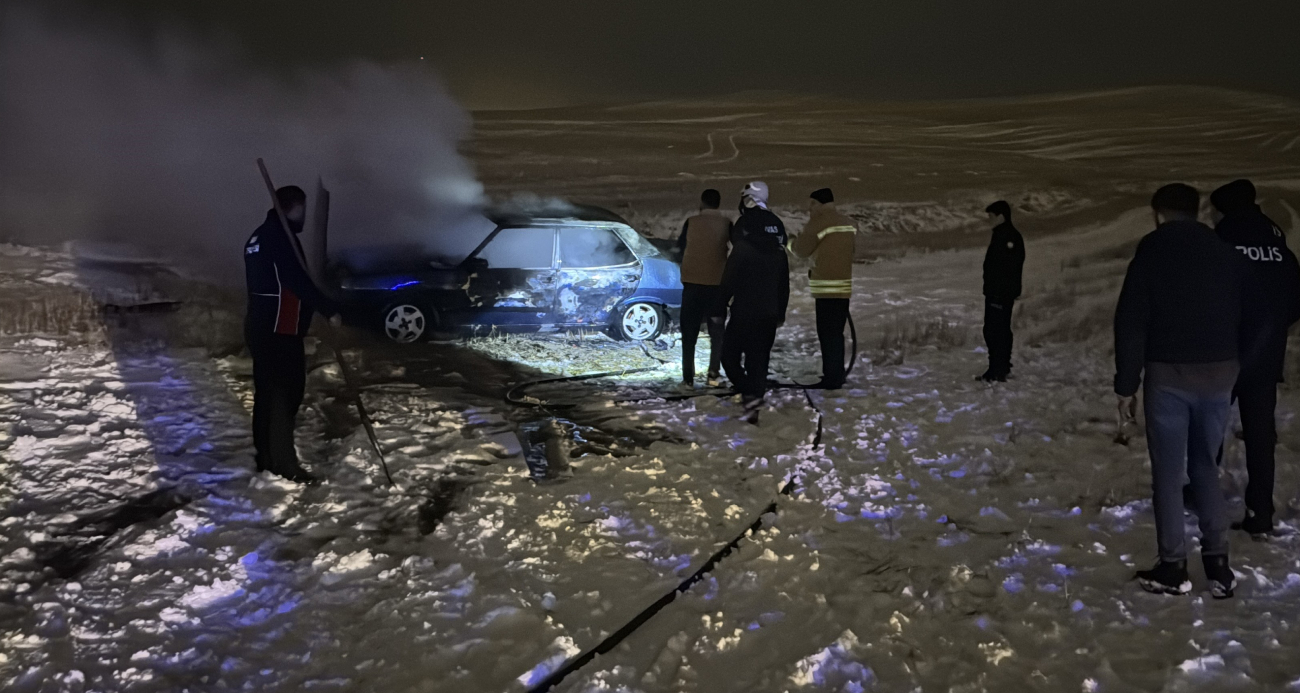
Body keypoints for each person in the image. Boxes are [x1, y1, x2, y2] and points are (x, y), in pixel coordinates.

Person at [1114, 183, 1253, 599]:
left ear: (1158, 213)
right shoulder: (1224, 251)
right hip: (1221, 371)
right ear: (1198, 212)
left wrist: (1126, 384)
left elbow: (1131, 321)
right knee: (1205, 466)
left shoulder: (1153, 250)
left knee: (1169, 473)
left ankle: (1173, 566)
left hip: (1170, 374)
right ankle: (1218, 564)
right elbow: (1247, 311)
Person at [1211, 179, 1300, 537]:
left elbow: (1209, 293)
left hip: (1225, 353)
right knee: (1261, 437)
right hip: (1266, 357)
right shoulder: (1279, 247)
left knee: (1209, 429)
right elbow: (1294, 300)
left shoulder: (1222, 241)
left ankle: (1202, 496)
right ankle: (1260, 512)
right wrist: (1273, 330)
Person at [244, 186, 341, 483]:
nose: (303, 217)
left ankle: (265, 457)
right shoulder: (281, 238)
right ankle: (284, 465)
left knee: (267, 394)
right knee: (284, 397)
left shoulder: (257, 237)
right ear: (295, 208)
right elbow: (297, 281)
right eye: (302, 210)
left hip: (260, 326)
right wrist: (328, 309)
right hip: (279, 329)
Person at [720, 181, 790, 424]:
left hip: (745, 311)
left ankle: (749, 393)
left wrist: (718, 306)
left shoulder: (743, 247)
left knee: (729, 355)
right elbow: (784, 283)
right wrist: (780, 311)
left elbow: (729, 278)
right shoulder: (778, 246)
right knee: (758, 360)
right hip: (768, 311)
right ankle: (753, 403)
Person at [790, 187, 857, 389]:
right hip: (843, 285)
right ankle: (836, 374)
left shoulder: (818, 222)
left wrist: (789, 243)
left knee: (827, 334)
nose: (809, 209)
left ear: (817, 204)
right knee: (836, 332)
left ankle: (832, 378)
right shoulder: (849, 223)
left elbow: (801, 251)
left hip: (825, 287)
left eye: (811, 204)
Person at [676, 189, 732, 387]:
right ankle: (713, 375)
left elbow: (680, 248)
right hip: (716, 287)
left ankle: (688, 378)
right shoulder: (726, 224)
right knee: (716, 333)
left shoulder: (691, 222)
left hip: (692, 285)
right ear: (718, 204)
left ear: (702, 202)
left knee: (689, 333)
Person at [979, 200, 1025, 382]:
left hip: (999, 293)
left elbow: (1008, 268)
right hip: (998, 292)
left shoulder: (1007, 237)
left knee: (995, 330)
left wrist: (999, 291)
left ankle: (997, 369)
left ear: (1000, 216)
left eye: (991, 216)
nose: (989, 220)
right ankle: (1000, 366)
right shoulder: (1004, 235)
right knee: (999, 329)